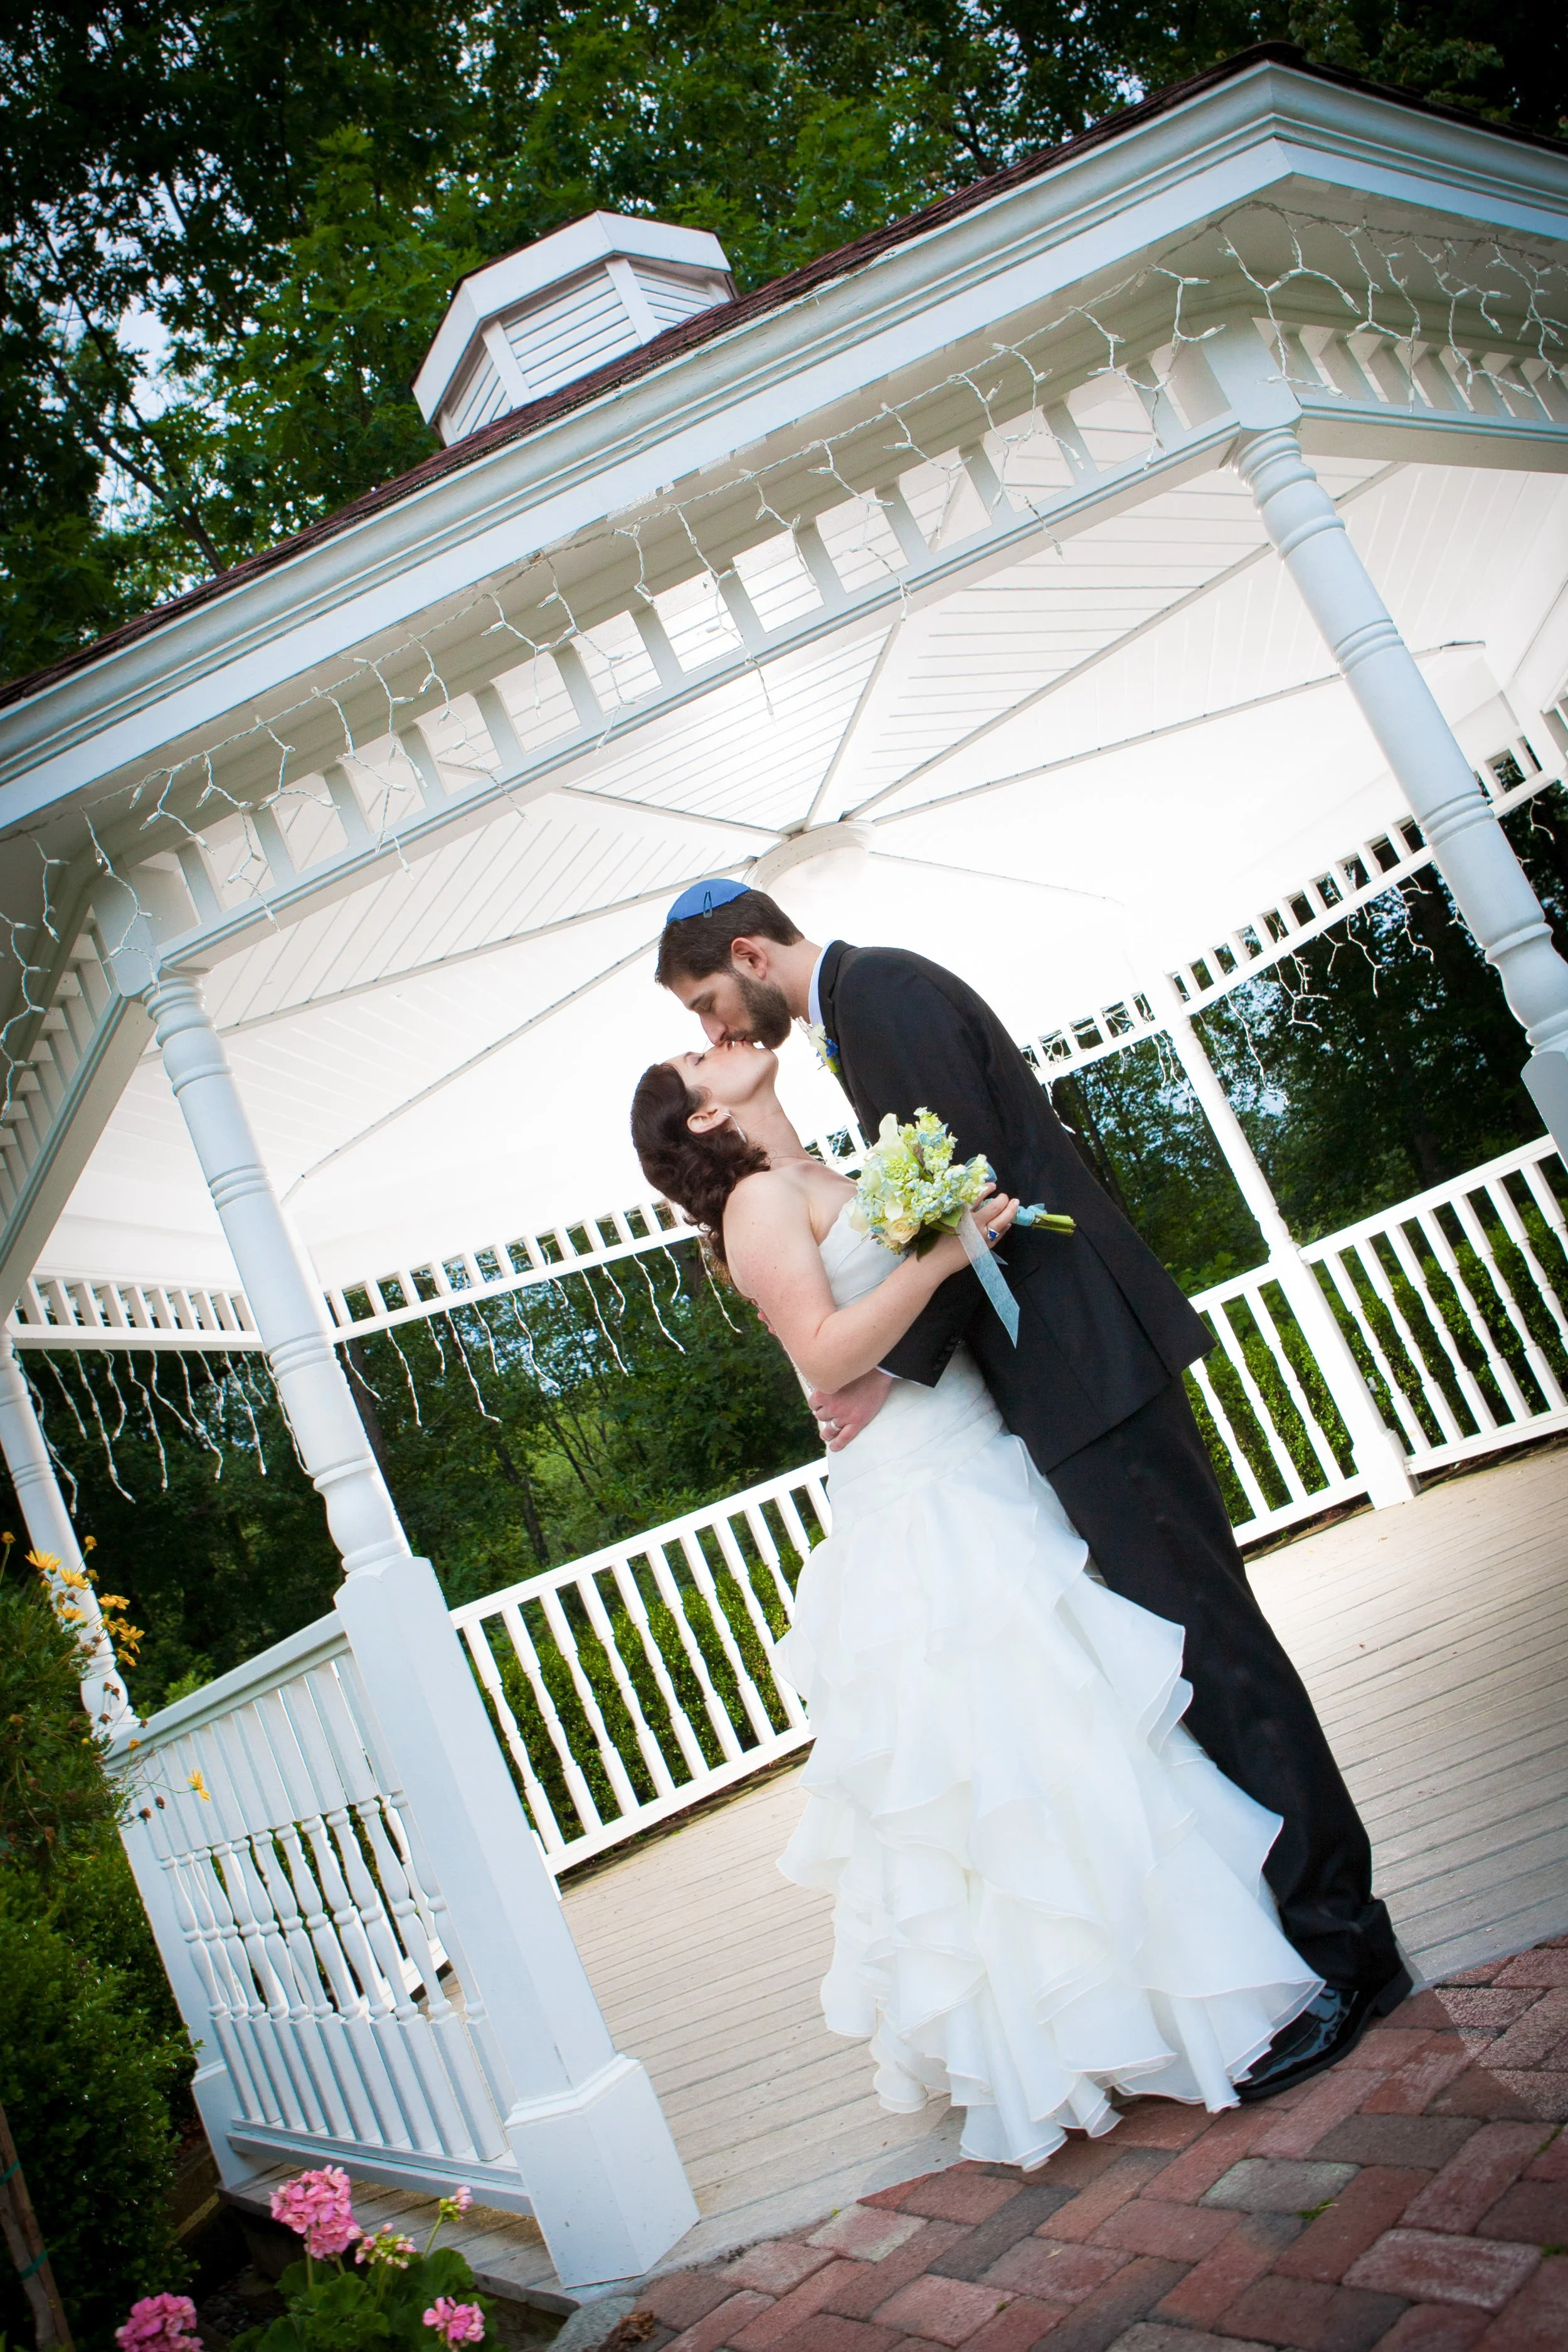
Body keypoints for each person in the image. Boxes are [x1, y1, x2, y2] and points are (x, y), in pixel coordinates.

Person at [650, 878, 1410, 2102]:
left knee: (1218, 1659)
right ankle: (1315, 1936)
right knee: (1191, 1662)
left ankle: (1346, 1951)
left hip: (1083, 1372)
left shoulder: (880, 994)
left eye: (708, 999)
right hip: (1058, 1385)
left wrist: (884, 1371)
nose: (719, 1028)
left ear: (745, 951)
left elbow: (978, 1200)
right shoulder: (856, 1014)